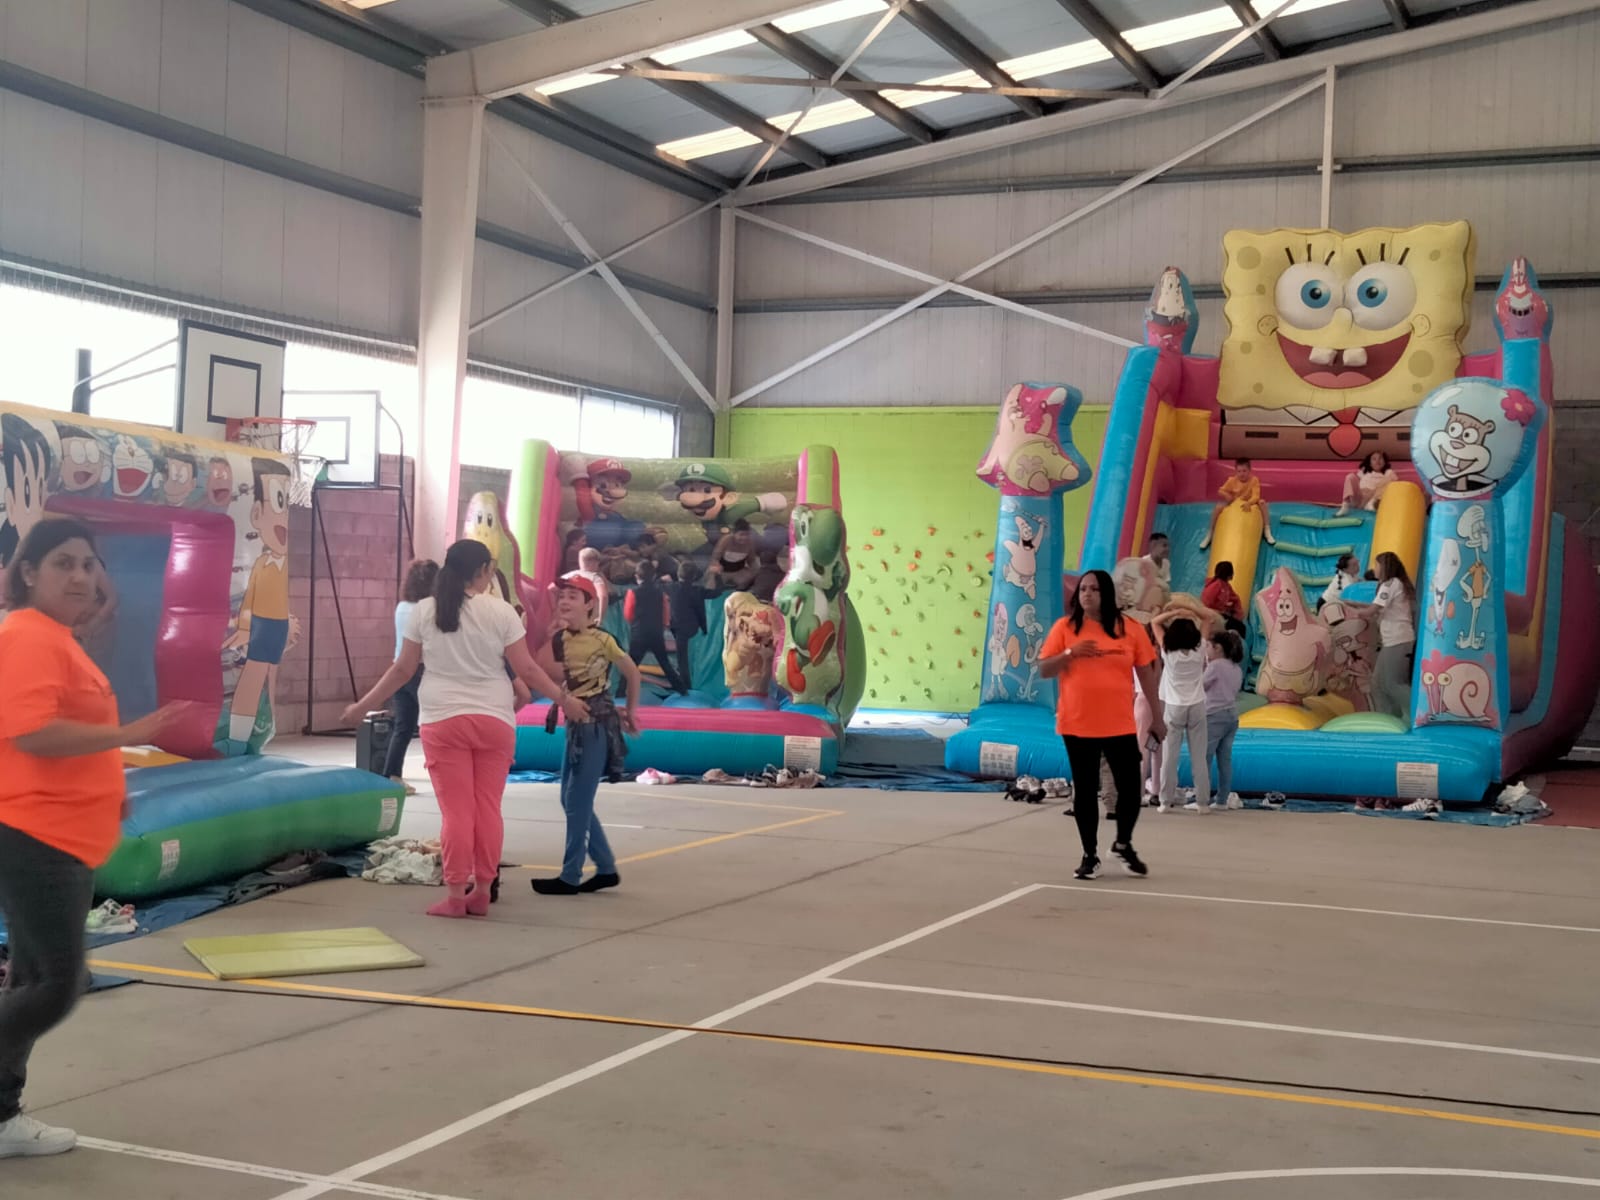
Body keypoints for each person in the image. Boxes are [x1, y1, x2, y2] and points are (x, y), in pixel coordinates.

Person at [0, 519, 184, 1158]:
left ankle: (2, 1117)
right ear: (29, 572)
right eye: (63, 563)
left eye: (87, 564)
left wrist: (109, 784)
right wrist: (126, 734)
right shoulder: (27, 636)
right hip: (35, 833)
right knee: (56, 985)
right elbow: (31, 733)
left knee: (31, 980)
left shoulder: (59, 637)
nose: (80, 576)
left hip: (65, 832)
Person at [341, 539, 582, 919]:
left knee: (456, 812)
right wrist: (565, 700)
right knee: (488, 809)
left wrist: (361, 707)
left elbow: (402, 669)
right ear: (484, 571)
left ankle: (455, 894)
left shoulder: (425, 610)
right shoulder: (502, 611)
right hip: (494, 720)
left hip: (443, 720)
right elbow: (528, 670)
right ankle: (482, 890)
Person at [1040, 570, 1165, 880]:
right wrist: (1071, 653)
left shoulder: (1130, 629)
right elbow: (1044, 669)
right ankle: (1089, 855)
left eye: (1094, 589)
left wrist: (1157, 716)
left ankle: (1123, 843)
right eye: (1083, 589)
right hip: (1077, 723)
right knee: (1085, 790)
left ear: (1106, 594)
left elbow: (1147, 674)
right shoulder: (1065, 628)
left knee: (1131, 789)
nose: (1087, 594)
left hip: (1119, 724)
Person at [532, 575, 641, 896]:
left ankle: (570, 875)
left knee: (577, 802)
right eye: (562, 596)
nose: (564, 601)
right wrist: (551, 634)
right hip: (575, 726)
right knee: (569, 799)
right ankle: (605, 867)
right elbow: (540, 668)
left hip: (595, 727)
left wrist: (630, 712)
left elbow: (632, 672)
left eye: (573, 597)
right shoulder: (561, 639)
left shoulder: (602, 639)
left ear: (590, 604)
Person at [382, 558, 438, 794]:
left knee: (402, 727)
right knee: (433, 723)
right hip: (419, 669)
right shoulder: (427, 610)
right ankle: (441, 770)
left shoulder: (402, 607)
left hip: (399, 669)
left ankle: (391, 775)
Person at [1150, 613, 1210, 814]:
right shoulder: (1199, 650)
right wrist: (1190, 609)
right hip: (1197, 705)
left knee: (1169, 757)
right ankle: (1203, 802)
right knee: (1199, 757)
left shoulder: (1168, 653)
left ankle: (1165, 801)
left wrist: (1174, 612)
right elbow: (1208, 619)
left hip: (1174, 706)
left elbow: (1155, 622)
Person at [623, 561, 687, 694]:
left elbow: (628, 614)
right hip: (656, 632)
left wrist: (634, 623)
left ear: (636, 576)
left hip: (639, 633)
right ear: (653, 576)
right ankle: (682, 690)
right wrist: (663, 625)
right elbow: (666, 612)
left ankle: (620, 691)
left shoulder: (633, 592)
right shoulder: (660, 593)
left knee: (631, 664)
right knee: (665, 663)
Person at [1371, 551, 1417, 720]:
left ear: (1384, 567)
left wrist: (1351, 610)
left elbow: (1371, 610)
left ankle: (1417, 710)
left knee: (1393, 683)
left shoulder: (1390, 584)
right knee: (1378, 684)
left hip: (1399, 640)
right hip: (1392, 641)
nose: (1374, 569)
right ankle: (1389, 718)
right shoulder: (1395, 584)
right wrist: (1352, 604)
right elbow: (1375, 607)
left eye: (1376, 565)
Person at [1203, 630, 1246, 811]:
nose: (1206, 650)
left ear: (1218, 648)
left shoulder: (1215, 666)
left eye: (1208, 646)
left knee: (1204, 757)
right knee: (1224, 760)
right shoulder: (1236, 668)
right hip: (1231, 715)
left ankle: (1202, 798)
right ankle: (1222, 799)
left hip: (1214, 714)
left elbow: (1201, 685)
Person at [1201, 458, 1275, 550]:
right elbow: (1220, 490)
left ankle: (1267, 529)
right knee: (1218, 507)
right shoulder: (1232, 480)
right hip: (1234, 503)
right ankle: (1210, 533)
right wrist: (1227, 495)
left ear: (1249, 471)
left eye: (1244, 471)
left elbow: (1256, 496)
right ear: (1235, 471)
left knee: (1262, 503)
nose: (1242, 474)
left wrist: (1249, 503)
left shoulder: (1254, 480)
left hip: (1250, 503)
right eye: (1239, 471)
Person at [667, 562, 708, 693]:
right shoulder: (696, 591)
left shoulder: (672, 587)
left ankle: (685, 686)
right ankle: (686, 684)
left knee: (682, 659)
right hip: (691, 627)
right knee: (687, 656)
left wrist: (663, 578)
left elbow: (655, 584)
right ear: (694, 576)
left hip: (678, 628)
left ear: (678, 574)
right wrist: (704, 628)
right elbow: (700, 612)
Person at [1338, 450, 1397, 516]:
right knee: (1350, 476)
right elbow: (1354, 483)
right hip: (1360, 498)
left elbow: (1394, 483)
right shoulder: (1364, 472)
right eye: (1374, 459)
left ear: (1384, 462)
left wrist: (1373, 492)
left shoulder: (1388, 473)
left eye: (1380, 458)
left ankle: (1371, 503)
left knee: (1389, 481)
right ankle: (1345, 505)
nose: (1377, 461)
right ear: (1370, 463)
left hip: (1374, 498)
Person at [705, 519, 759, 592]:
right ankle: (710, 593)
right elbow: (715, 558)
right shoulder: (726, 540)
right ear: (734, 533)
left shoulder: (750, 543)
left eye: (747, 535)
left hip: (738, 571)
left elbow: (751, 560)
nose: (744, 538)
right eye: (741, 534)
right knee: (712, 572)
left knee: (755, 576)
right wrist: (717, 567)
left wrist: (756, 571)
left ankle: (739, 592)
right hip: (723, 571)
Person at [1201, 561, 1248, 638]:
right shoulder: (1215, 585)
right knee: (1240, 628)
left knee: (1240, 626)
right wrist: (1218, 612)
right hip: (1213, 614)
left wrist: (1238, 614)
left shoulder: (1225, 586)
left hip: (1221, 614)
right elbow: (1205, 603)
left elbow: (1235, 598)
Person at [568, 547, 610, 624]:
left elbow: (551, 588)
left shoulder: (570, 575)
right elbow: (603, 596)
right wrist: (600, 617)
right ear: (593, 562)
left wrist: (554, 608)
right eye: (597, 563)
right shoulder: (595, 578)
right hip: (588, 616)